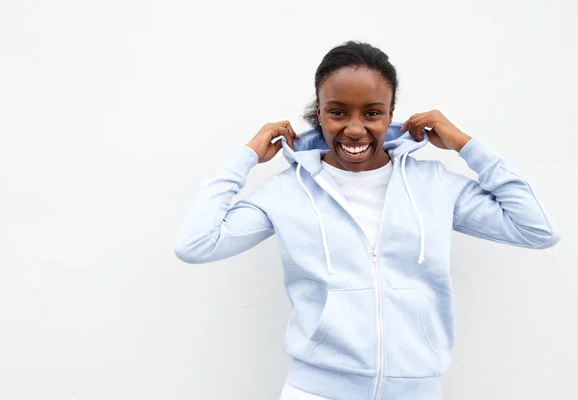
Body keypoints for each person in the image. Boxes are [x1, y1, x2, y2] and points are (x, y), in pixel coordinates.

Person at [174, 41, 560, 400]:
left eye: (372, 113)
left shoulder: (434, 185)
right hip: (316, 391)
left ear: (391, 114)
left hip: (415, 391)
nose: (355, 128)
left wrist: (466, 145)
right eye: (337, 112)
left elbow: (536, 229)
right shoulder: (287, 191)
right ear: (319, 113)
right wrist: (245, 157)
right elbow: (196, 245)